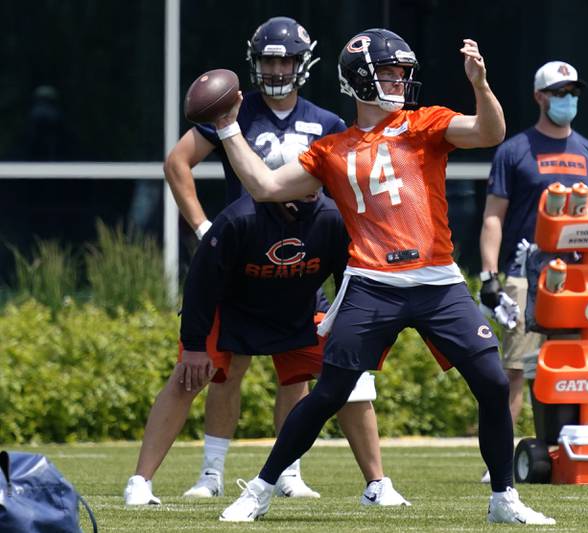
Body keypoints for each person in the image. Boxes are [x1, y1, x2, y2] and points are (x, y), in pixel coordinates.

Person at [210, 28, 556, 525]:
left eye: (402, 73)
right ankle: (261, 489)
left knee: (491, 382)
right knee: (330, 392)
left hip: (437, 279)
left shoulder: (424, 124)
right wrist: (227, 129)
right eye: (389, 72)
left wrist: (481, 84)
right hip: (373, 282)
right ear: (359, 80)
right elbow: (264, 186)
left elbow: (489, 132)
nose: (399, 81)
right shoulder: (332, 150)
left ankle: (504, 498)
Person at [125, 16, 402, 504]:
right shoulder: (232, 112)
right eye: (269, 59)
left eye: (285, 59)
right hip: (239, 262)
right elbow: (176, 163)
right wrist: (205, 227)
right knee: (211, 371)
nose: (276, 69)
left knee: (313, 372)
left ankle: (296, 471)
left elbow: (351, 189)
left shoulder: (329, 123)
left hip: (301, 265)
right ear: (254, 62)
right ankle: (202, 474)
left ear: (303, 63)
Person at [478, 60, 588, 482]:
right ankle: (498, 461)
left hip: (575, 278)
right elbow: (494, 217)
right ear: (539, 96)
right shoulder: (515, 150)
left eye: (572, 92)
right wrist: (489, 275)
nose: (567, 100)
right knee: (515, 369)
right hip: (523, 272)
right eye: (558, 92)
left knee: (571, 366)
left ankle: (566, 450)